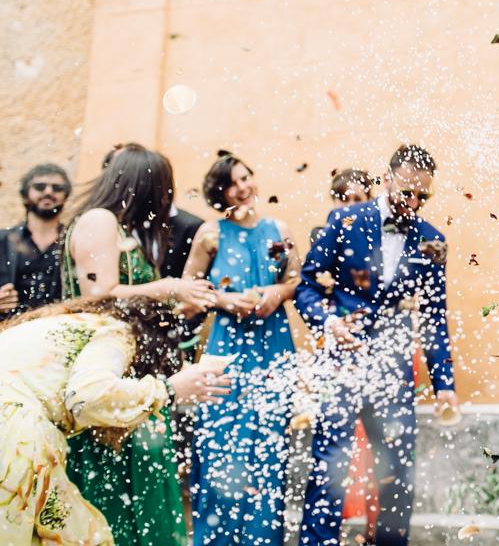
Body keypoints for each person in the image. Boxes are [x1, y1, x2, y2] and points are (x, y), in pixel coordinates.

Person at [295, 145, 458, 546]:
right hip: (342, 363)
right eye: (407, 192)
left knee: (397, 475)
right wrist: (330, 323)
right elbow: (306, 286)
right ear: (387, 179)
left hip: (393, 372)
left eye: (423, 195)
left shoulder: (432, 241)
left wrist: (445, 384)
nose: (414, 202)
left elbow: (434, 317)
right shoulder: (345, 220)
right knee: (329, 468)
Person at [60, 143, 217, 546]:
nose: (164, 202)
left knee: (141, 487)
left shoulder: (121, 229)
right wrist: (167, 287)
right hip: (101, 373)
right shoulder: (99, 220)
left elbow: (130, 302)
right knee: (113, 493)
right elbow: (99, 296)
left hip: (131, 378)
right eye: (161, 190)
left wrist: (179, 304)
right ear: (140, 186)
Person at [0, 295, 231, 545]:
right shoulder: (117, 334)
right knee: (82, 538)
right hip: (13, 431)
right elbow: (87, 397)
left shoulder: (74, 322)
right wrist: (167, 390)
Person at [183, 152, 299, 546]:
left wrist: (276, 293)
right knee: (221, 443)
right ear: (220, 193)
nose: (243, 187)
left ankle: (262, 539)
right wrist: (223, 300)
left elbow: (295, 280)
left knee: (269, 446)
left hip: (273, 345)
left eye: (246, 177)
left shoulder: (278, 230)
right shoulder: (210, 235)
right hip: (227, 348)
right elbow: (188, 292)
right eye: (232, 183)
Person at [0, 163, 71, 320]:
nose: (48, 192)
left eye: (57, 188)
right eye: (40, 187)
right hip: (9, 329)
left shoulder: (73, 241)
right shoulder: (2, 241)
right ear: (25, 195)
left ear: (65, 196)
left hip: (61, 328)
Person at [311, 168, 374, 244]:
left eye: (357, 199)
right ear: (334, 200)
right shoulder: (321, 234)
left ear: (369, 201)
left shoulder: (378, 232)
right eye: (344, 199)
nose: (351, 205)